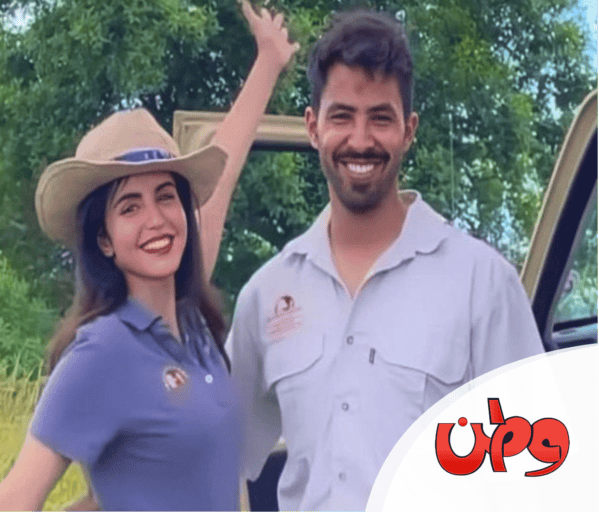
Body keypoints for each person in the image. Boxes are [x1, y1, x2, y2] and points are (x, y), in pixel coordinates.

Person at [0, 2, 298, 511]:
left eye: (166, 197)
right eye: (129, 206)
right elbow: (13, 499)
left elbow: (221, 178)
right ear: (104, 239)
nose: (155, 220)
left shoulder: (191, 325)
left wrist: (267, 63)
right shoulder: (102, 352)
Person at [227, 7, 545, 511]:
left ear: (409, 130)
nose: (360, 140)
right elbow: (215, 457)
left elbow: (537, 475)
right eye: (341, 116)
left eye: (380, 118)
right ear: (313, 127)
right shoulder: (268, 296)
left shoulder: (481, 283)